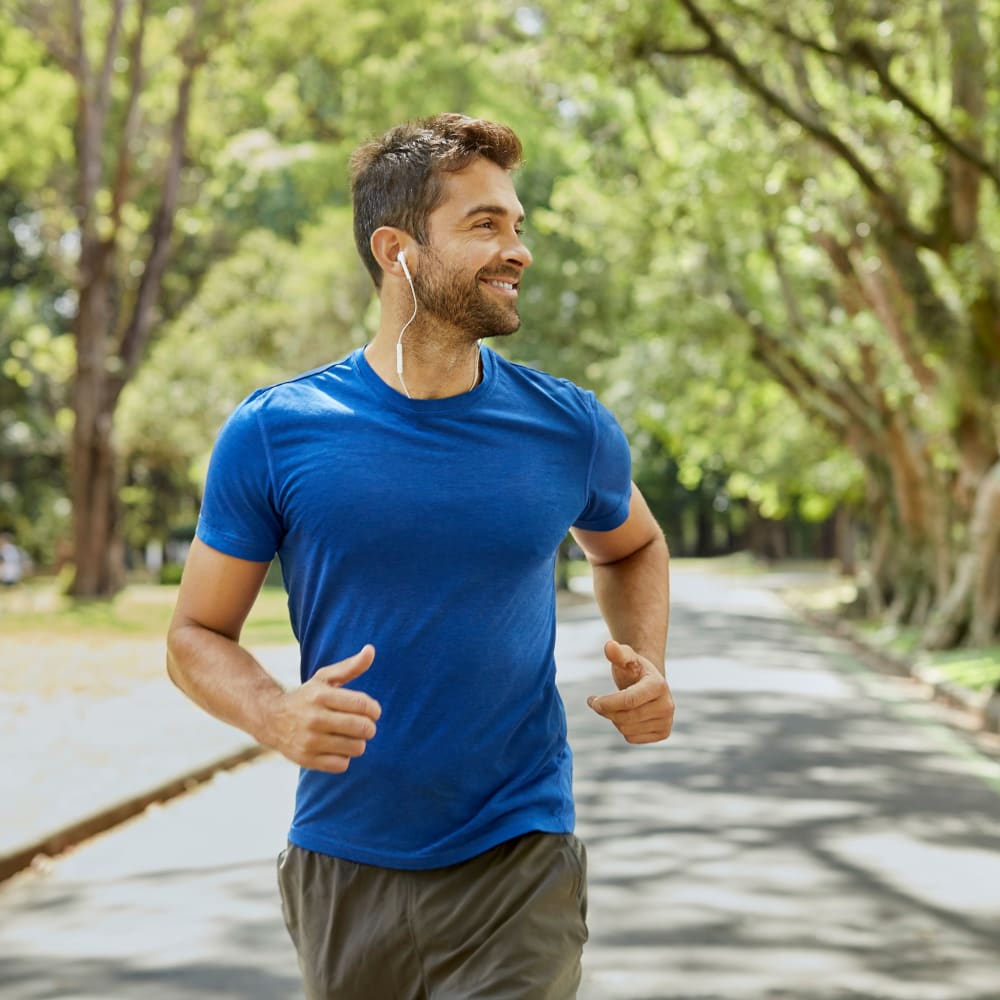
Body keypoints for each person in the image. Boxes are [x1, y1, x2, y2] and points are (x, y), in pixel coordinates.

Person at [167, 113, 673, 1000]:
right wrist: (272, 715)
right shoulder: (275, 432)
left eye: (517, 225)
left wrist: (649, 662)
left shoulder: (567, 426)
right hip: (343, 860)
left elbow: (633, 545)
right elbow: (195, 633)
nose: (517, 249)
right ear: (397, 249)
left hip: (520, 853)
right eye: (485, 225)